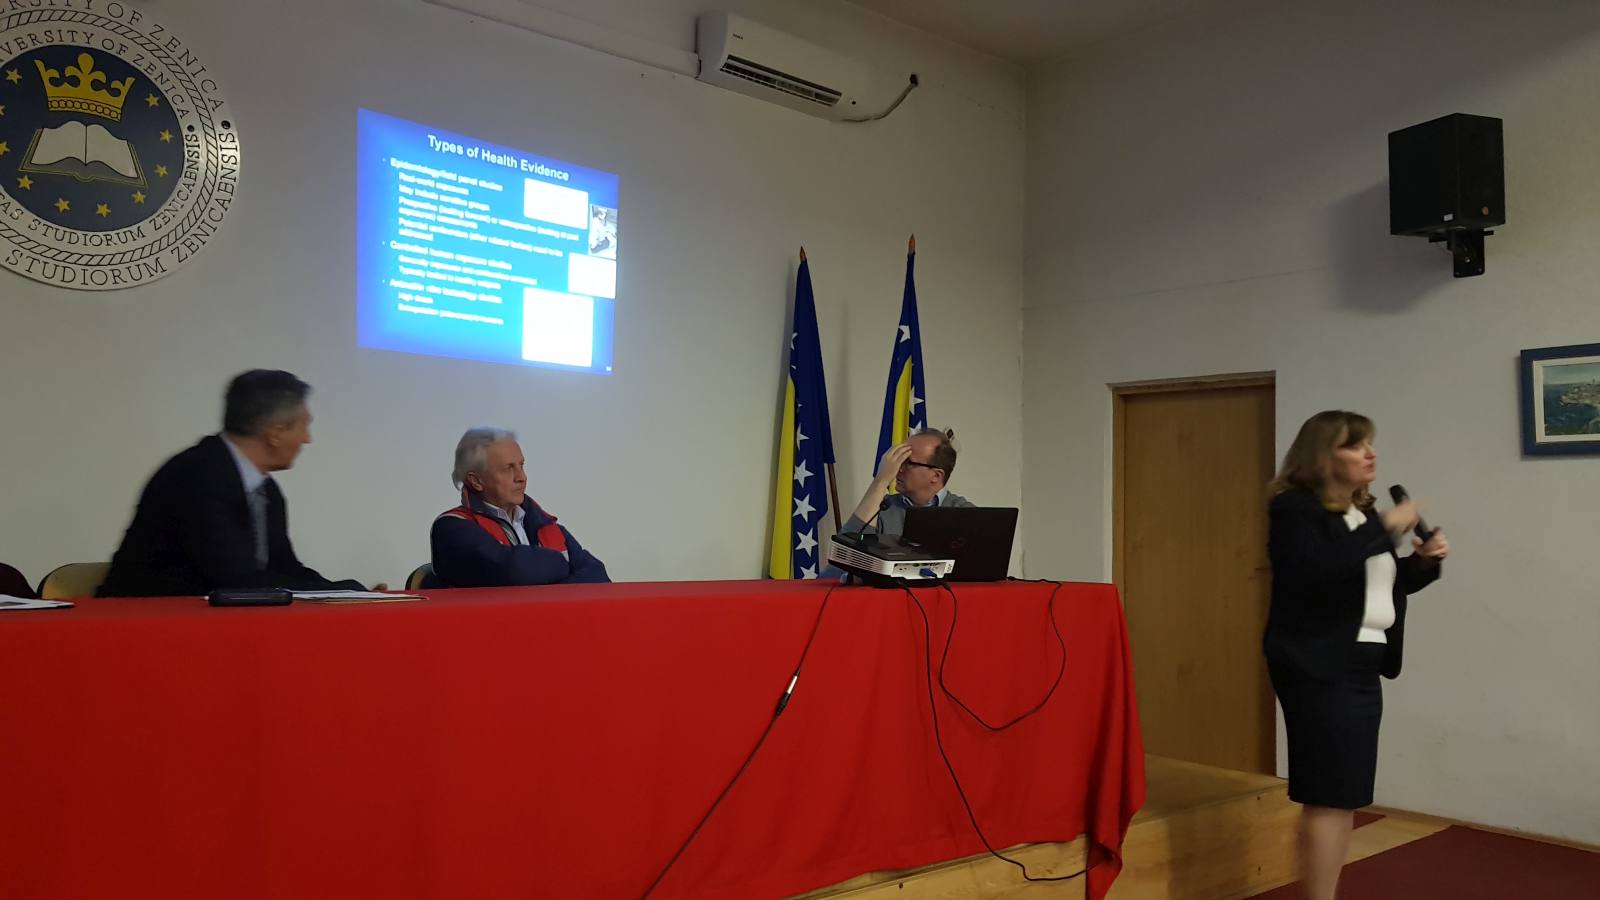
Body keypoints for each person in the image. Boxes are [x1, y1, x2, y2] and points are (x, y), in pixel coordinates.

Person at [1264, 410, 1450, 900]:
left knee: (1344, 793)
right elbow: (1317, 569)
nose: (1371, 454)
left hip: (1364, 663)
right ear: (1323, 456)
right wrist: (1386, 526)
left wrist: (1420, 563)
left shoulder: (1361, 515)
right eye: (1355, 445)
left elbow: (1373, 585)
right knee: (1328, 793)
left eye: (1370, 443)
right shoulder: (1294, 510)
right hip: (1318, 664)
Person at [99, 370, 373, 597]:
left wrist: (348, 593)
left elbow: (284, 568)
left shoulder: (266, 490)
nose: (307, 439)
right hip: (141, 624)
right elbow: (233, 578)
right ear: (276, 433)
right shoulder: (197, 475)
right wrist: (338, 592)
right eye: (304, 426)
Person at [429, 427, 609, 586]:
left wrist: (548, 595)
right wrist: (561, 565)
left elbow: (598, 576)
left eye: (521, 466)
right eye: (508, 468)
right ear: (476, 481)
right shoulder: (451, 528)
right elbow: (513, 571)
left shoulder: (546, 524)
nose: (521, 477)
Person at [841, 427, 974, 537]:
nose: (898, 469)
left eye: (908, 463)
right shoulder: (884, 507)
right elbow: (846, 552)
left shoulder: (966, 515)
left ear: (936, 475)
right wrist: (881, 480)